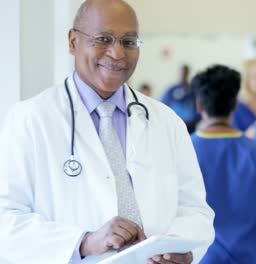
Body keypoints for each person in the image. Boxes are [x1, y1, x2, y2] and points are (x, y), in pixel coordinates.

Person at [0, 1, 214, 263]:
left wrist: (183, 251)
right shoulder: (30, 119)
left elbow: (194, 208)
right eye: (103, 39)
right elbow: (6, 219)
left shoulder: (167, 121)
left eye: (129, 42)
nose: (117, 53)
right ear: (72, 42)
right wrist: (84, 242)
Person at [191, 65, 256, 264]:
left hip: (202, 257)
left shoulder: (185, 150)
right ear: (234, 105)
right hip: (249, 257)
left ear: (199, 105)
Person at [162, 64, 200, 133]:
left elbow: (199, 107)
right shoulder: (171, 90)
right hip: (174, 126)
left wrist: (193, 120)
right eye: (181, 73)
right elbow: (163, 106)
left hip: (190, 127)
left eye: (185, 73)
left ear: (188, 74)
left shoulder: (193, 91)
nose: (183, 75)